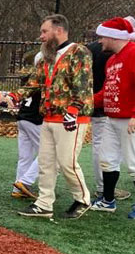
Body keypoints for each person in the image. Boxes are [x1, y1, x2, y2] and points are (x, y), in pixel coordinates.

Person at [16, 15, 93, 220]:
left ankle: (83, 199)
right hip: (49, 117)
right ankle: (44, 203)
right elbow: (34, 82)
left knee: (67, 162)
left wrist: (74, 111)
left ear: (58, 30)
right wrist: (13, 97)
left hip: (70, 118)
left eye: (44, 31)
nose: (41, 36)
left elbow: (83, 85)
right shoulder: (47, 57)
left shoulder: (79, 51)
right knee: (46, 163)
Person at [90, 17, 135, 219]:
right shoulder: (112, 60)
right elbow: (107, 92)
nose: (100, 41)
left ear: (114, 36)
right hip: (114, 116)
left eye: (102, 36)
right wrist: (86, 102)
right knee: (107, 159)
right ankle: (108, 200)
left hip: (134, 117)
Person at [87, 38, 132, 202]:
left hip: (90, 101)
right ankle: (103, 188)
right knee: (106, 148)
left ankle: (26, 179)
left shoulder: (89, 48)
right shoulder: (113, 54)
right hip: (106, 104)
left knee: (98, 146)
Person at [9, 55, 43, 199]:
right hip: (34, 120)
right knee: (48, 154)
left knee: (25, 157)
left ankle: (18, 188)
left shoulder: (29, 77)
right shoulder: (44, 76)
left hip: (23, 118)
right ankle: (24, 182)